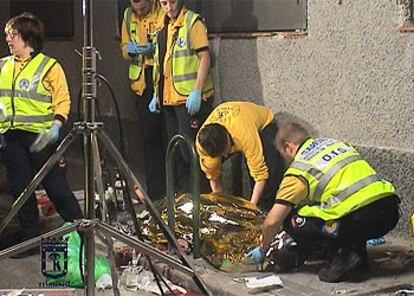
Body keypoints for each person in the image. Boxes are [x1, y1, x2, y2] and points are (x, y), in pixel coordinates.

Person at [247, 122, 400, 282]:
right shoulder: (335, 144)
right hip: (389, 210)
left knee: (292, 219)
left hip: (359, 219)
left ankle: (343, 255)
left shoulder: (300, 168)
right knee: (337, 211)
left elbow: (272, 221)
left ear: (288, 147)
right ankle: (355, 258)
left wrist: (262, 249)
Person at [0, 13, 82, 257]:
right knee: (21, 189)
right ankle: (30, 237)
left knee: (55, 186)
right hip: (12, 138)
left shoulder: (49, 66)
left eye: (12, 34)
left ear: (26, 36)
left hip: (41, 138)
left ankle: (80, 228)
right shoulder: (3, 65)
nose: (8, 39)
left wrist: (57, 124)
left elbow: (62, 99)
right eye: (7, 35)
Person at [150, 0, 214, 191]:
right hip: (169, 99)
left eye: (172, 2)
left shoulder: (192, 23)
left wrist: (197, 90)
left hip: (189, 100)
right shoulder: (162, 26)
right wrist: (156, 93)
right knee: (176, 153)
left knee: (192, 154)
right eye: (163, 3)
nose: (168, 7)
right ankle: (182, 201)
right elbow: (161, 64)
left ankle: (200, 201)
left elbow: (205, 57)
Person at [196, 101, 285, 211]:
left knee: (272, 170)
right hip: (232, 130)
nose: (225, 155)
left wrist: (252, 208)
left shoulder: (244, 134)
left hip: (262, 124)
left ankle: (264, 212)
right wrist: (222, 206)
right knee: (205, 174)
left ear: (228, 137)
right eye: (220, 154)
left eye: (225, 150)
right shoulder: (203, 146)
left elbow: (260, 176)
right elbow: (214, 179)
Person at [121, 0, 166, 200]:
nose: (138, 11)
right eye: (135, 6)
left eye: (143, 7)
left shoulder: (162, 10)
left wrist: (153, 48)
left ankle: (175, 191)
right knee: (149, 140)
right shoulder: (128, 15)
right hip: (142, 84)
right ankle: (157, 194)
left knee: (168, 136)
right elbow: (124, 46)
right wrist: (130, 50)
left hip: (163, 78)